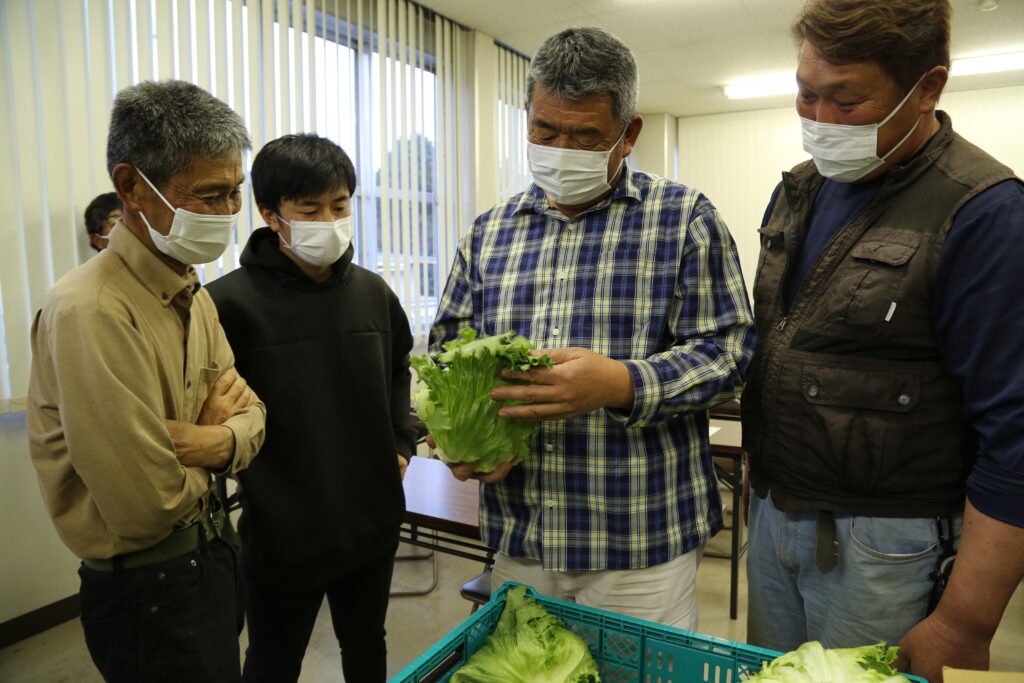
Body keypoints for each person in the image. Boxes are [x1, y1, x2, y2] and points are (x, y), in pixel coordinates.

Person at [428, 27, 754, 630]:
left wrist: (622, 384)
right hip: (523, 529)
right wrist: (467, 444)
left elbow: (729, 352)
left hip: (638, 540)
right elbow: (449, 352)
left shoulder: (684, 220)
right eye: (545, 131)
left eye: (585, 136)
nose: (561, 148)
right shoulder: (489, 232)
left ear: (627, 134)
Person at [740, 1, 1024, 680]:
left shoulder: (982, 211)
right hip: (776, 512)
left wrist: (963, 620)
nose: (819, 119)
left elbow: (1015, 438)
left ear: (927, 88)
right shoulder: (799, 191)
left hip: (882, 543)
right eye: (806, 93)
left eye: (845, 100)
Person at [26, 80, 266, 683]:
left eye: (236, 192)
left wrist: (213, 441)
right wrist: (225, 445)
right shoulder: (93, 310)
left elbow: (254, 411)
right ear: (132, 186)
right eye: (210, 195)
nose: (228, 213)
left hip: (212, 553)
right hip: (148, 586)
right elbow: (145, 507)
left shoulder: (188, 288)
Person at [205, 134, 417, 683]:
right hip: (283, 528)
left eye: (340, 205)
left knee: (367, 644)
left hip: (369, 519)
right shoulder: (226, 304)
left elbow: (399, 369)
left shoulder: (374, 294)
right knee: (274, 659)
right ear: (271, 214)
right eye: (310, 209)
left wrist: (400, 440)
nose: (329, 219)